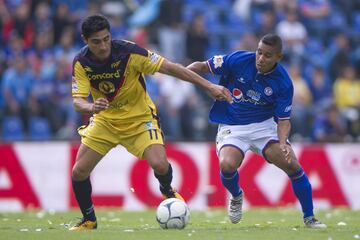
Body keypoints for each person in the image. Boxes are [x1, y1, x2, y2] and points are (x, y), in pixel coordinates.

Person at [70, 14, 232, 231]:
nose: (103, 46)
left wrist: (208, 86)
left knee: (159, 164)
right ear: (85, 40)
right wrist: (90, 107)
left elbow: (171, 68)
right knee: (79, 172)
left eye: (106, 39)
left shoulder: (130, 53)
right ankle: (89, 220)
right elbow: (78, 101)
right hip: (105, 122)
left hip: (140, 120)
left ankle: (166, 189)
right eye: (96, 42)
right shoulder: (81, 62)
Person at [187, 33, 326, 229]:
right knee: (227, 165)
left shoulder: (284, 83)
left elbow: (284, 121)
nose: (260, 59)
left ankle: (310, 218)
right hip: (232, 125)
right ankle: (236, 196)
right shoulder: (238, 59)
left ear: (278, 57)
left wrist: (283, 141)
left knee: (292, 165)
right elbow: (200, 66)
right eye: (259, 52)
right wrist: (185, 77)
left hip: (264, 127)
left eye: (267, 55)